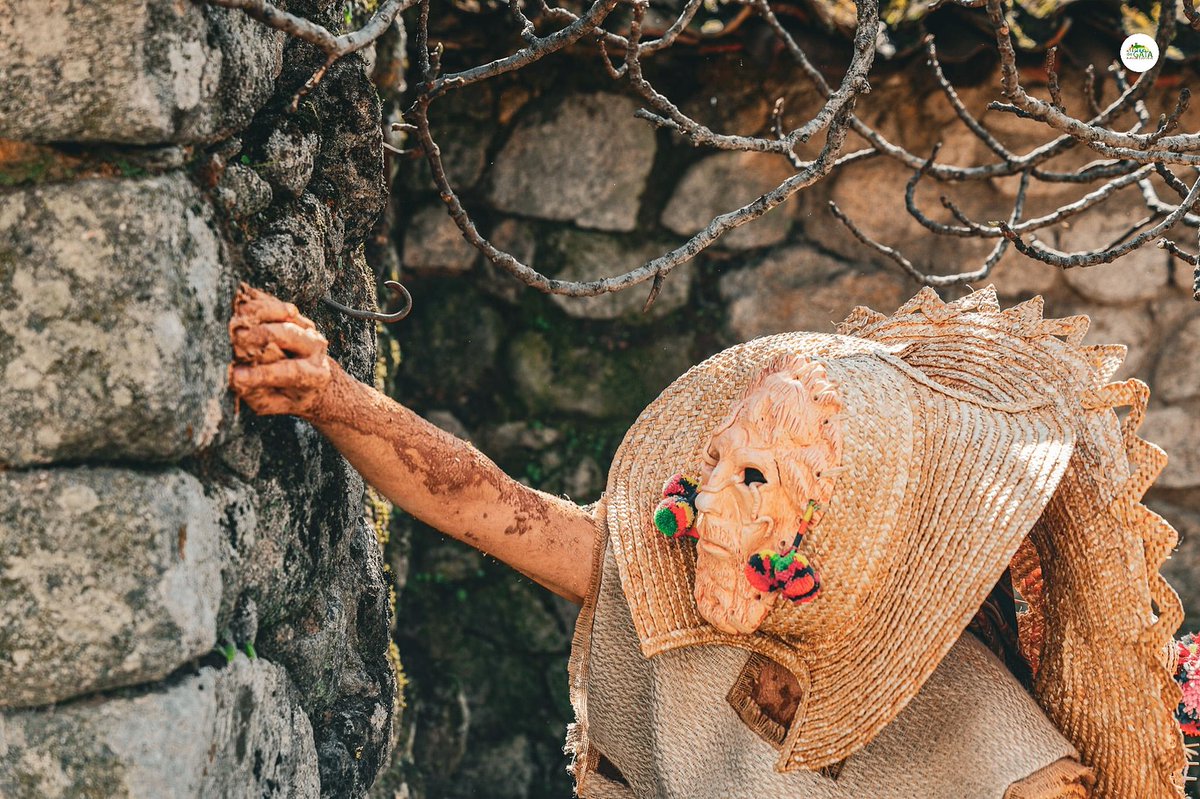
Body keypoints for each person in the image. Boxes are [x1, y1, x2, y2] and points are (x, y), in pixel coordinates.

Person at [229, 283, 1188, 799]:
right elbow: (485, 502)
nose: (699, 500)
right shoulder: (666, 584)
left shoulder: (1006, 757)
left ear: (846, 536)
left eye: (755, 478)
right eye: (716, 460)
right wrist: (329, 394)